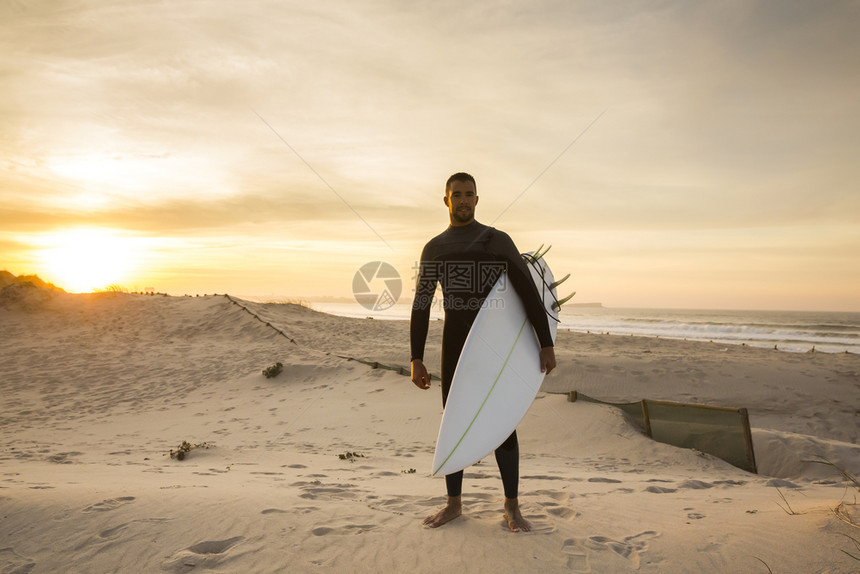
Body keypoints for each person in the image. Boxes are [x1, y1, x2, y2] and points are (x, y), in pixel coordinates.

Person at [410, 172, 556, 532]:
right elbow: (422, 305)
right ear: (446, 200)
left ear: (477, 200)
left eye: (469, 195)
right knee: (455, 417)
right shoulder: (435, 248)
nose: (463, 200)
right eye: (456, 194)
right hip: (455, 343)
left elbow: (527, 292)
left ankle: (512, 506)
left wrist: (546, 343)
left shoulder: (497, 240)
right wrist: (416, 357)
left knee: (503, 421)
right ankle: (454, 504)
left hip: (496, 345)